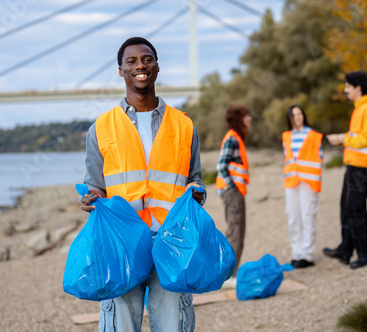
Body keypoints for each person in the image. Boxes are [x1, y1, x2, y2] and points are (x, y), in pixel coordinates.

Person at [80, 36, 205, 332]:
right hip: (122, 242)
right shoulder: (101, 128)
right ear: (120, 70)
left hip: (172, 241)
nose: (141, 65)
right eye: (132, 61)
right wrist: (90, 197)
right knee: (119, 325)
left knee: (174, 325)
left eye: (147, 59)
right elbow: (94, 184)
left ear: (157, 67)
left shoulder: (184, 125)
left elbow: (195, 180)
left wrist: (197, 193)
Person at [324, 70, 367, 269]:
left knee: (355, 209)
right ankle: (345, 249)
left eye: (348, 87)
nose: (345, 90)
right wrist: (344, 138)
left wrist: (342, 139)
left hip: (363, 166)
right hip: (354, 163)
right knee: (346, 206)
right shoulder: (360, 107)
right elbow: (358, 136)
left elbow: (366, 139)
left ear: (358, 88)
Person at [282, 105, 323, 269]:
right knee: (293, 218)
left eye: (299, 114)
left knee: (307, 217)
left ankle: (307, 254)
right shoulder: (286, 136)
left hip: (308, 181)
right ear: (289, 118)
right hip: (291, 182)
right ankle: (296, 253)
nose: (297, 117)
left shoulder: (313, 135)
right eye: (294, 115)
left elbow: (319, 158)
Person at [215, 104, 251, 287]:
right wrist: (232, 187)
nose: (249, 119)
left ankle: (230, 273)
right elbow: (221, 165)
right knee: (235, 232)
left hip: (233, 191)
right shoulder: (232, 138)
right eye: (246, 116)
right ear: (238, 119)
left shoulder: (236, 138)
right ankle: (230, 276)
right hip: (232, 192)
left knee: (236, 231)